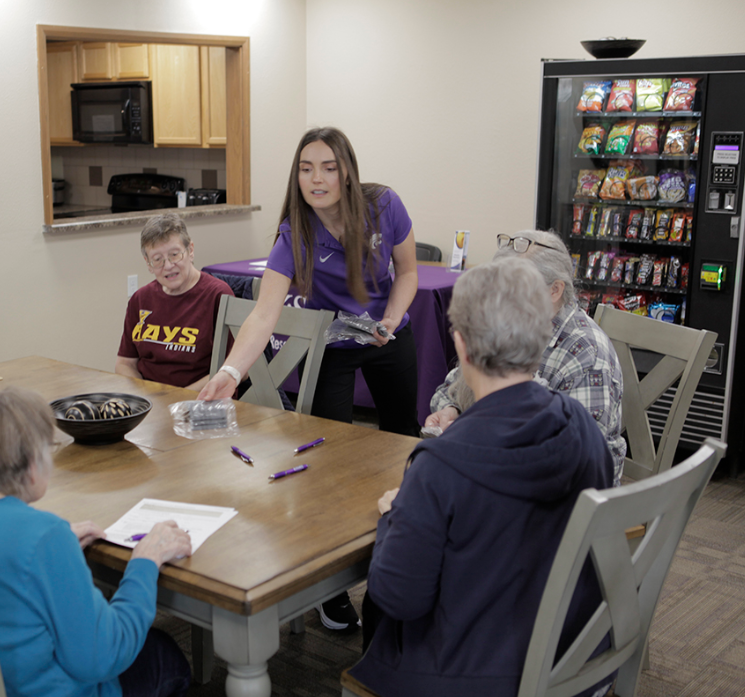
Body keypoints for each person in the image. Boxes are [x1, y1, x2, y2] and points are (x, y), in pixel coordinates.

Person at [353, 258, 614, 696]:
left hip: (473, 675)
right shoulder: (583, 428)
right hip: (574, 653)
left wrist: (394, 517)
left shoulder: (439, 464)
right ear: (543, 336)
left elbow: (398, 595)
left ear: (461, 345)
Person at [198, 126, 419, 631]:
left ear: (347, 172)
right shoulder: (293, 232)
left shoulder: (385, 205)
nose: (316, 179)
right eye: (305, 168)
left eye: (328, 167)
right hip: (332, 346)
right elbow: (263, 314)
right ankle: (331, 588)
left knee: (404, 445)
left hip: (389, 337)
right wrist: (230, 372)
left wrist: (390, 319)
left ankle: (402, 563)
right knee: (325, 465)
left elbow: (407, 272)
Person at [0, 387, 193, 697]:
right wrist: (145, 562)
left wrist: (51, 548)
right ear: (32, 464)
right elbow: (102, 658)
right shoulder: (43, 537)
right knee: (164, 655)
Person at [426, 230, 627, 484]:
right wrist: (452, 409)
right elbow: (452, 388)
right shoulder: (509, 324)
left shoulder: (586, 355)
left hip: (559, 493)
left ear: (555, 290)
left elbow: (582, 466)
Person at [116, 212, 234, 390]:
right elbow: (125, 363)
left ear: (190, 250)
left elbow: (235, 369)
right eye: (157, 260)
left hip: (200, 399)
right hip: (151, 399)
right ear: (148, 263)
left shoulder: (218, 295)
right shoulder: (140, 299)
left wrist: (178, 399)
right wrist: (144, 396)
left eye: (174, 254)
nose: (168, 265)